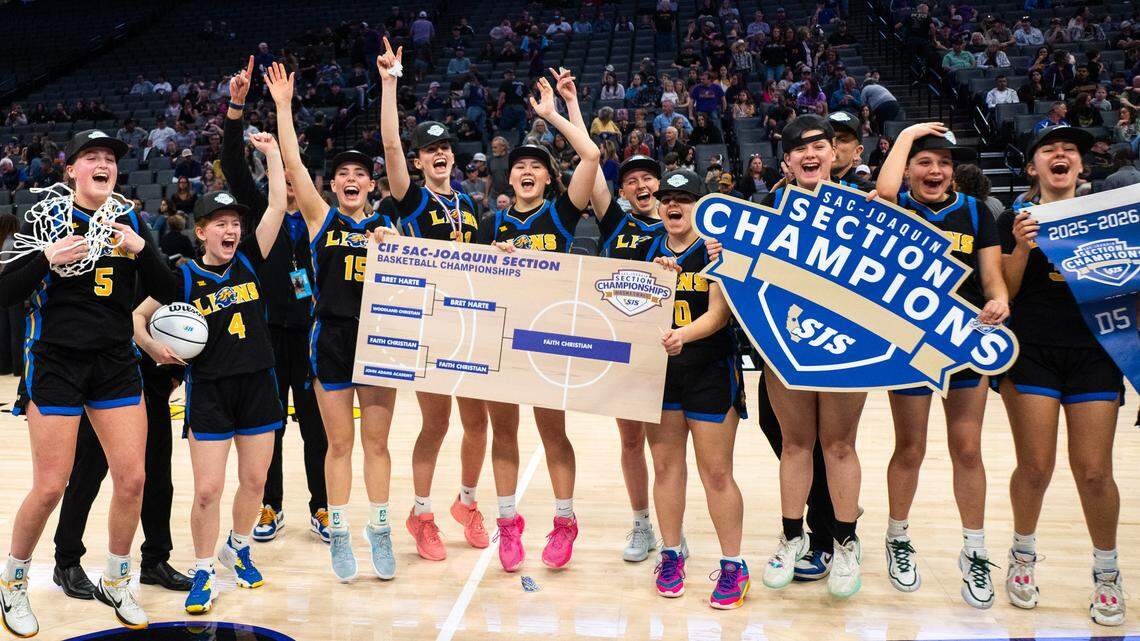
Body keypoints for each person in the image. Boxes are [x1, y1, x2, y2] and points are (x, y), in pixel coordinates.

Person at [0, 129, 178, 635]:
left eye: (110, 159)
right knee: (51, 485)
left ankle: (119, 579)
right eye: (91, 157)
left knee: (134, 478)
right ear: (71, 171)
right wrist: (47, 259)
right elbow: (5, 292)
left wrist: (144, 249)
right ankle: (13, 581)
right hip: (55, 363)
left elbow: (167, 290)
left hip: (114, 361)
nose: (103, 164)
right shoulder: (45, 221)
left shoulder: (129, 220)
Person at [134, 136, 287, 611]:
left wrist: (273, 154)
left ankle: (237, 548)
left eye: (235, 223)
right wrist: (154, 349)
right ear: (201, 231)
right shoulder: (181, 276)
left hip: (259, 382)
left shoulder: (250, 259)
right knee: (207, 489)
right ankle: (204, 570)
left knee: (257, 484)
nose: (231, 230)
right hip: (210, 392)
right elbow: (137, 318)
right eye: (220, 224)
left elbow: (280, 203)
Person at [266, 61, 399, 583]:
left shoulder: (389, 224)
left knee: (378, 443)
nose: (349, 179)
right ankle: (340, 532)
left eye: (358, 174)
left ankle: (380, 529)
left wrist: (399, 247)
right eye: (341, 173)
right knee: (339, 443)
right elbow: (296, 168)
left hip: (383, 338)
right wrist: (282, 107)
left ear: (370, 184)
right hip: (333, 336)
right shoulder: (323, 218)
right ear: (334, 185)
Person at [875, 123, 1010, 609]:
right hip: (910, 344)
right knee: (909, 447)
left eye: (944, 164)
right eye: (925, 162)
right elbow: (885, 191)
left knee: (967, 448)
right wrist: (908, 133)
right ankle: (898, 537)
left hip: (964, 342)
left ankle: (974, 548)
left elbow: (993, 281)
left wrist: (999, 304)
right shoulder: (898, 207)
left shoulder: (976, 211)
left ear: (954, 173)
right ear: (909, 167)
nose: (936, 171)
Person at [998, 125, 1125, 626]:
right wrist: (1021, 247)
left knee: (1095, 471)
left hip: (1096, 351)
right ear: (1032, 168)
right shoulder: (1014, 218)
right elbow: (1003, 294)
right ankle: (1023, 556)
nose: (1059, 154)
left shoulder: (1107, 217)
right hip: (1032, 353)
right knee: (1035, 466)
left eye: (1068, 149)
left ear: (1080, 164)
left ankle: (1107, 573)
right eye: (1048, 149)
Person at [477, 70, 600, 573]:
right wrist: (490, 258)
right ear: (509, 177)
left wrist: (553, 115)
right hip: (500, 343)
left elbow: (590, 157)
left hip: (549, 339)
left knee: (554, 435)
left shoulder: (561, 216)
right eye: (520, 165)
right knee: (502, 435)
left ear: (550, 179)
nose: (527, 170)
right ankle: (508, 523)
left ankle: (565, 521)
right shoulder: (490, 225)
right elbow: (469, 289)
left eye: (538, 166)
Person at [378, 41, 492, 562]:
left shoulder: (468, 203)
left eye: (445, 147)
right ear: (421, 159)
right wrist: (390, 83)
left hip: (470, 322)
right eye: (429, 149)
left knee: (478, 423)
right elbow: (392, 149)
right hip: (425, 323)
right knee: (436, 423)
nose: (440, 153)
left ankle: (466, 503)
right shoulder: (414, 197)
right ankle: (420, 513)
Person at [758, 116, 867, 599]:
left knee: (839, 446)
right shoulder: (762, 209)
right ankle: (791, 537)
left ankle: (843, 543)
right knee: (795, 445)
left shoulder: (864, 209)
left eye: (818, 145)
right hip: (785, 343)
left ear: (834, 154)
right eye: (798, 147)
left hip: (845, 345)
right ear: (785, 162)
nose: (809, 153)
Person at [221, 57, 329, 545]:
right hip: (265, 336)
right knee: (270, 429)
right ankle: (271, 505)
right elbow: (231, 159)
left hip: (308, 335)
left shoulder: (316, 221)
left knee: (315, 427)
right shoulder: (259, 219)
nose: (287, 183)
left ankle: (323, 507)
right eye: (280, 175)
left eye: (294, 175)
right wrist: (237, 110)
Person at [633, 168, 748, 608]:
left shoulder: (718, 251)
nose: (672, 204)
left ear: (702, 206)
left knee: (716, 472)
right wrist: (653, 281)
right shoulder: (647, 250)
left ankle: (734, 564)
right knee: (666, 469)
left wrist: (683, 335)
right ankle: (670, 552)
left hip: (710, 369)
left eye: (684, 197)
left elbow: (719, 315)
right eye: (666, 197)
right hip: (660, 374)